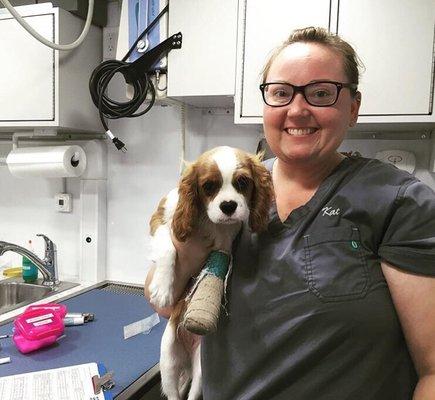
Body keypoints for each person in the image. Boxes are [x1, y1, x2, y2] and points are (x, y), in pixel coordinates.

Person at [145, 27, 435, 399]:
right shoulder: (236, 182)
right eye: (281, 93)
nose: (297, 109)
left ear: (353, 107)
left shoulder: (398, 202)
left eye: (320, 93)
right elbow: (165, 303)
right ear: (265, 105)